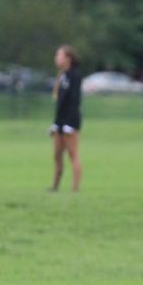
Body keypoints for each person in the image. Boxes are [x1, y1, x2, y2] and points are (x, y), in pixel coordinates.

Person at [49, 44, 83, 192]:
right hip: (59, 121)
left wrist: (70, 124)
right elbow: (56, 98)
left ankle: (75, 189)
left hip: (71, 121)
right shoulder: (62, 75)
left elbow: (74, 101)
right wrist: (55, 124)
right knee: (57, 155)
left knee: (72, 154)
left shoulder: (75, 75)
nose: (56, 58)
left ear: (68, 58)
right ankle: (55, 187)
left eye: (59, 55)